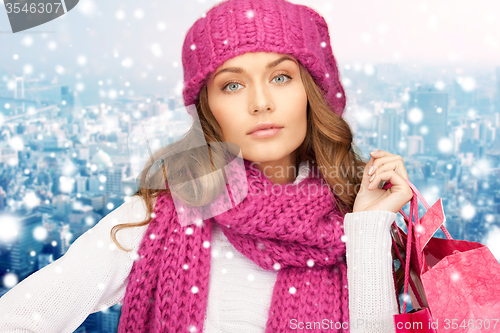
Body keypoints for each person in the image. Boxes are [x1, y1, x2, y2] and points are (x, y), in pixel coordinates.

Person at [0, 0, 414, 332]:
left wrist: (366, 229)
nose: (260, 102)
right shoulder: (161, 215)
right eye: (232, 85)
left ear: (313, 91)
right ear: (208, 108)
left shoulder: (354, 221)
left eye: (281, 77)